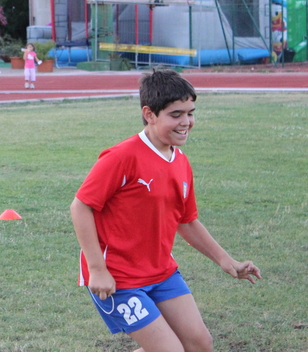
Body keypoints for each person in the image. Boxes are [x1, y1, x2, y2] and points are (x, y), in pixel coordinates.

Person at [70, 69, 261, 352]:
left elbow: (186, 221)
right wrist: (97, 269)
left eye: (190, 113)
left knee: (199, 344)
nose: (186, 122)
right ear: (149, 114)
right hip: (119, 278)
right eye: (176, 114)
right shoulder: (122, 157)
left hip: (161, 273)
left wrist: (226, 261)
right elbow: (81, 206)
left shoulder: (180, 160)